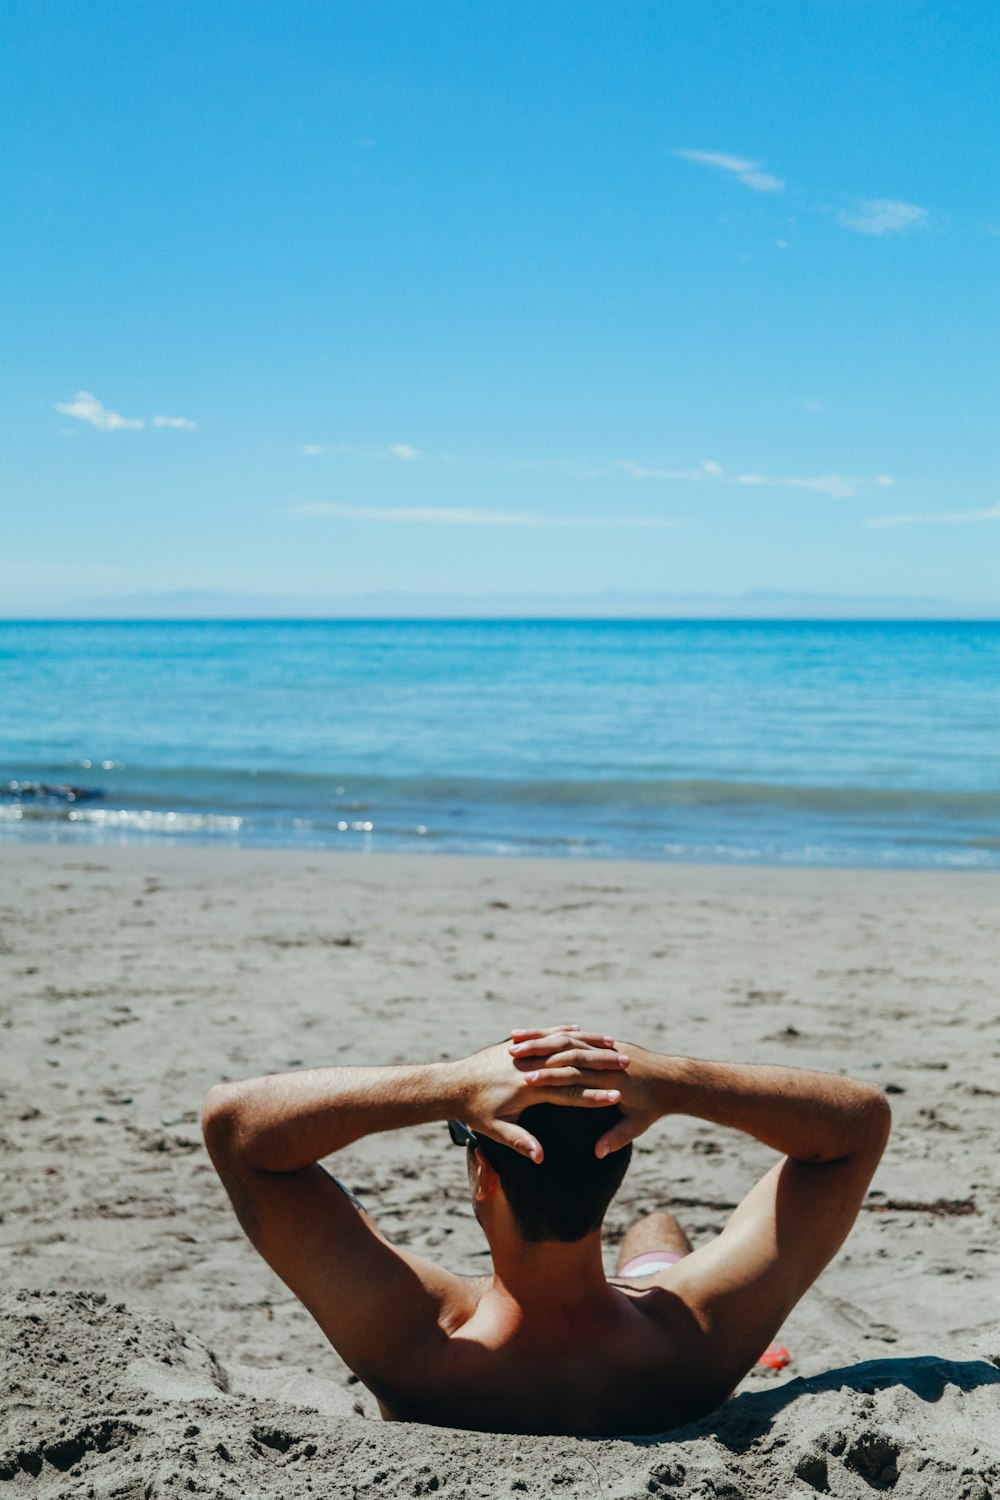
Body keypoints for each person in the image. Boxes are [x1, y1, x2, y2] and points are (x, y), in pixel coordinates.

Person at [202, 1023, 890, 1436]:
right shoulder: (700, 1335)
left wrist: (449, 1085)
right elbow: (856, 1125)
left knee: (653, 1259)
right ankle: (648, 1260)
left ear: (484, 1177)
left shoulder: (412, 1343)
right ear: (615, 1166)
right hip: (643, 1338)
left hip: (484, 1362)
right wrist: (672, 1081)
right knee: (657, 1236)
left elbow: (236, 1126)